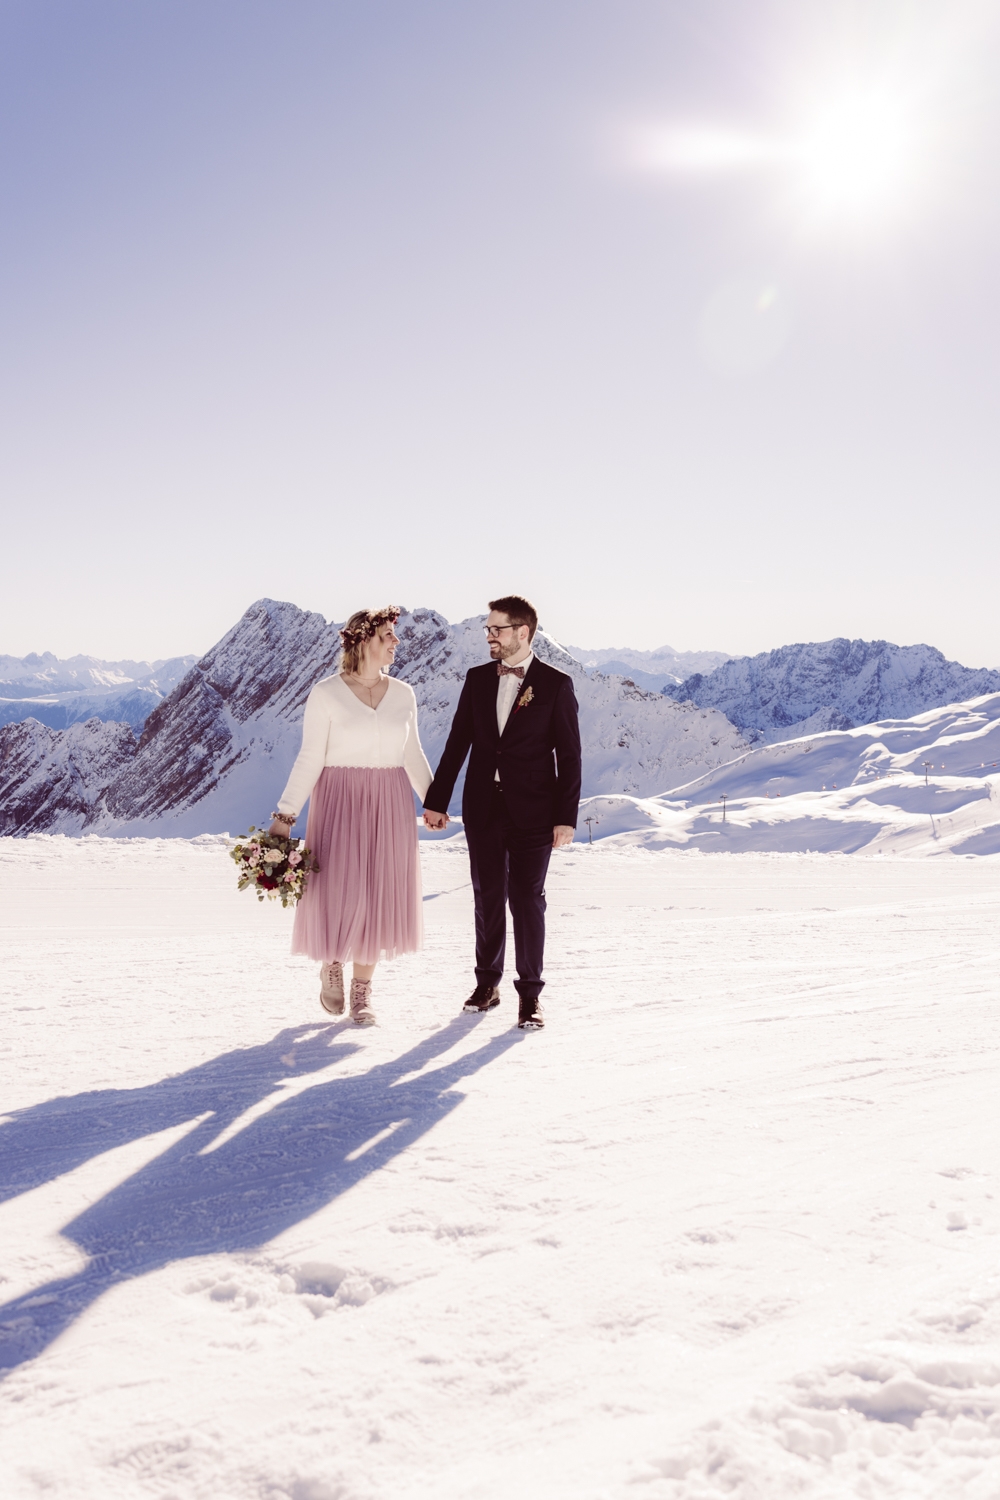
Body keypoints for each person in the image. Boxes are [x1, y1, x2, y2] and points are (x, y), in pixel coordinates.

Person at [422, 595, 581, 1030]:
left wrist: (565, 816)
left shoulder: (555, 684)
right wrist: (437, 799)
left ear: (523, 632)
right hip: (483, 807)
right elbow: (458, 743)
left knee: (527, 900)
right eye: (488, 629)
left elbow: (570, 756)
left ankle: (530, 996)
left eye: (497, 629)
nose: (489, 636)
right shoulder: (476, 679)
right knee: (487, 895)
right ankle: (486, 984)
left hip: (535, 810)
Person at [270, 607, 433, 1026]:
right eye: (387, 635)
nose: (396, 642)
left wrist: (433, 800)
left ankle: (362, 992)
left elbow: (412, 754)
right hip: (340, 801)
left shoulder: (403, 694)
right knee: (339, 891)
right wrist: (285, 816)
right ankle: (331, 964)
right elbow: (310, 757)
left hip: (391, 801)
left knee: (379, 895)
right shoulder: (326, 693)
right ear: (362, 640)